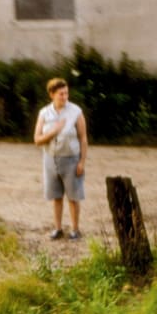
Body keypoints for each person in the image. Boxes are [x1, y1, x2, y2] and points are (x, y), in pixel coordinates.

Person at [33, 77, 88, 240]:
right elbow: (37, 139)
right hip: (50, 159)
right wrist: (53, 131)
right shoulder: (44, 113)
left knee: (73, 196)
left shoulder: (76, 112)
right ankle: (57, 229)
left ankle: (75, 229)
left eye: (66, 93)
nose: (64, 97)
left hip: (71, 159)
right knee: (56, 196)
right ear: (51, 94)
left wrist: (82, 161)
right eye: (60, 94)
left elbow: (83, 138)